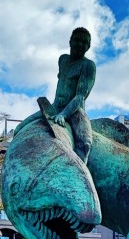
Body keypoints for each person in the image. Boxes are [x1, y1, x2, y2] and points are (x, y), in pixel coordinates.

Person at [15, 27, 96, 163]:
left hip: (75, 112)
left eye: (84, 42)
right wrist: (57, 111)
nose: (80, 44)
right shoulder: (62, 60)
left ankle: (80, 175)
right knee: (18, 128)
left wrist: (63, 115)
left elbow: (80, 96)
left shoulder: (88, 65)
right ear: (70, 42)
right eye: (77, 40)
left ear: (88, 46)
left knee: (85, 144)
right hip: (54, 107)